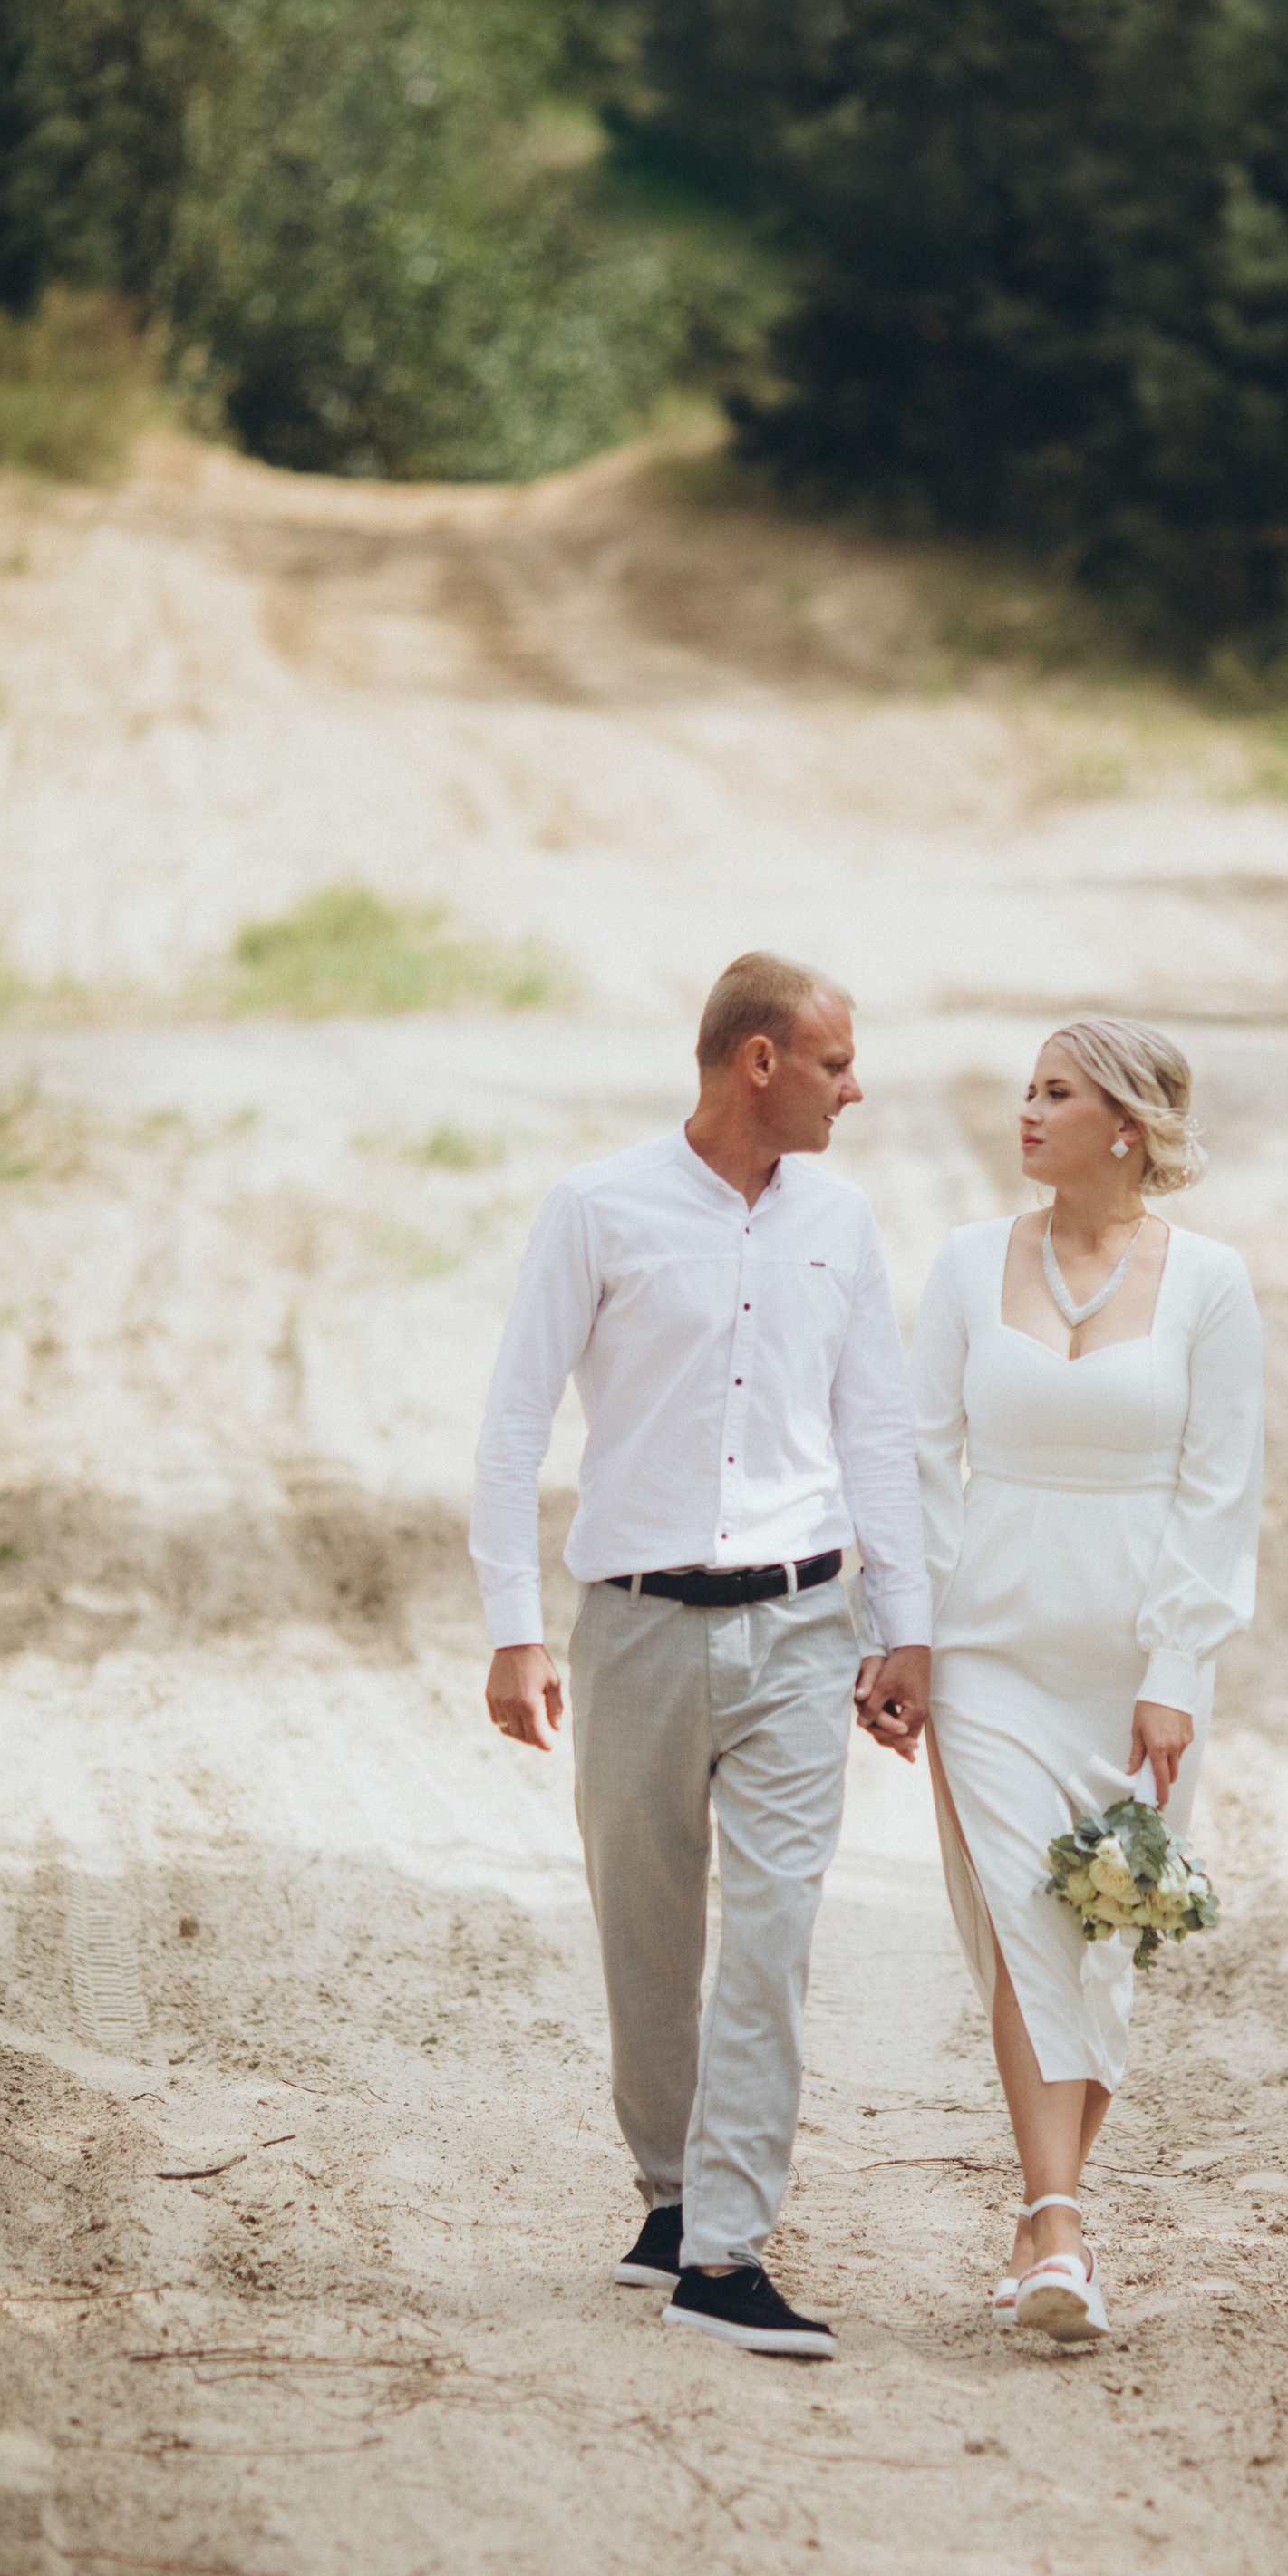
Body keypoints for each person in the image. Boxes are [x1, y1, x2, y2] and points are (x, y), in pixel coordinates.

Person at [471, 952, 930, 2362]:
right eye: (837, 1063)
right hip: (634, 1625)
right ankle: (670, 2203)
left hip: (802, 1622)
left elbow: (875, 1436)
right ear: (760, 1063)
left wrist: (903, 1626)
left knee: (774, 1936)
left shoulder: (842, 1223)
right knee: (648, 1930)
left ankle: (727, 2248)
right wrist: (513, 1632)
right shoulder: (599, 1208)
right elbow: (513, 1424)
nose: (859, 1087)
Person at [911, 1020, 1264, 2344]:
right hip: (988, 1652)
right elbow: (912, 1456)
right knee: (1023, 1917)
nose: (1025, 1111)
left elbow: (1222, 1493)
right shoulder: (961, 1265)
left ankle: (1039, 2219)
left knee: (1106, 1935)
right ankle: (1060, 2225)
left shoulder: (1212, 1284)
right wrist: (915, 1635)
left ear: (1125, 1123)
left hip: (1134, 1669)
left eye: (1053, 1093)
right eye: (1027, 1089)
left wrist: (1176, 1666)